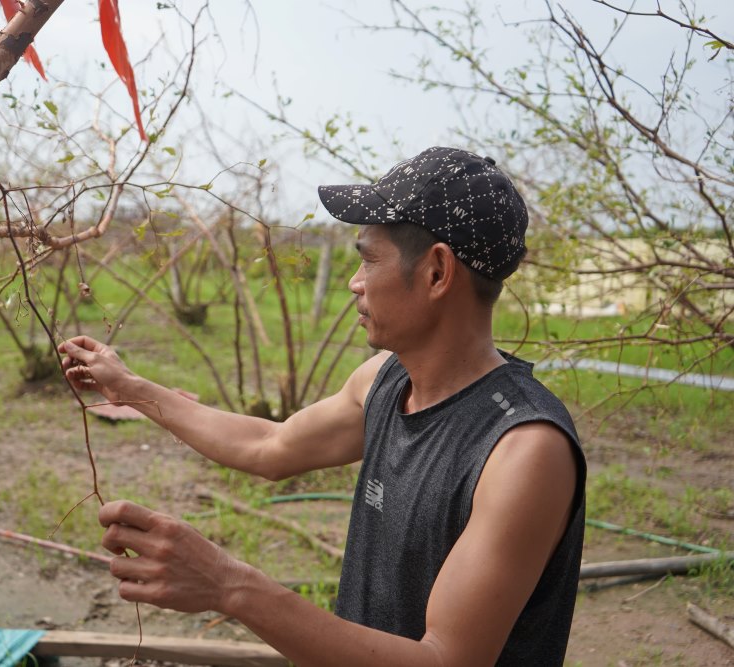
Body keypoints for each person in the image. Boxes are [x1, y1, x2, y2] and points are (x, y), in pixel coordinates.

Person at [58, 146, 585, 666]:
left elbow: (445, 660)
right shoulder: (384, 380)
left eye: (368, 259)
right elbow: (270, 445)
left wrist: (230, 586)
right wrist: (129, 387)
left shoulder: (522, 450)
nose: (354, 283)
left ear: (437, 273)